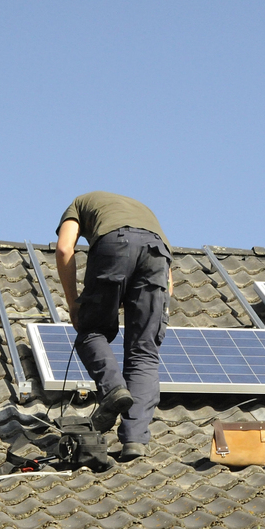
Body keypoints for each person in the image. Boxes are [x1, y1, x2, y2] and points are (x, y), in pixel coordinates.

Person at [55, 192, 172, 460]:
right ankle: (135, 441)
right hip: (159, 255)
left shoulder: (79, 203)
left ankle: (113, 390)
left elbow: (64, 248)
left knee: (91, 331)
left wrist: (74, 304)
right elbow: (168, 282)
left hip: (114, 244)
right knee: (144, 353)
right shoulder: (145, 210)